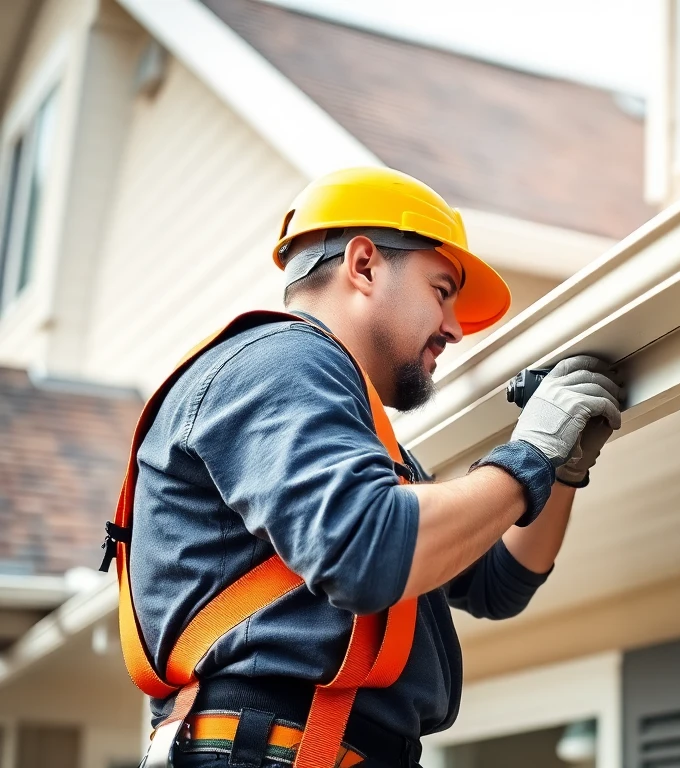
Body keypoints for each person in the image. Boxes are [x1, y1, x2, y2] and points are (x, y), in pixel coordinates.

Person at [103, 167, 622, 767]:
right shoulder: (282, 362)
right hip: (271, 748)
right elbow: (370, 547)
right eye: (442, 291)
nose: (454, 329)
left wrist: (560, 469)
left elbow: (497, 583)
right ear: (364, 265)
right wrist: (529, 456)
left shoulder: (350, 436)